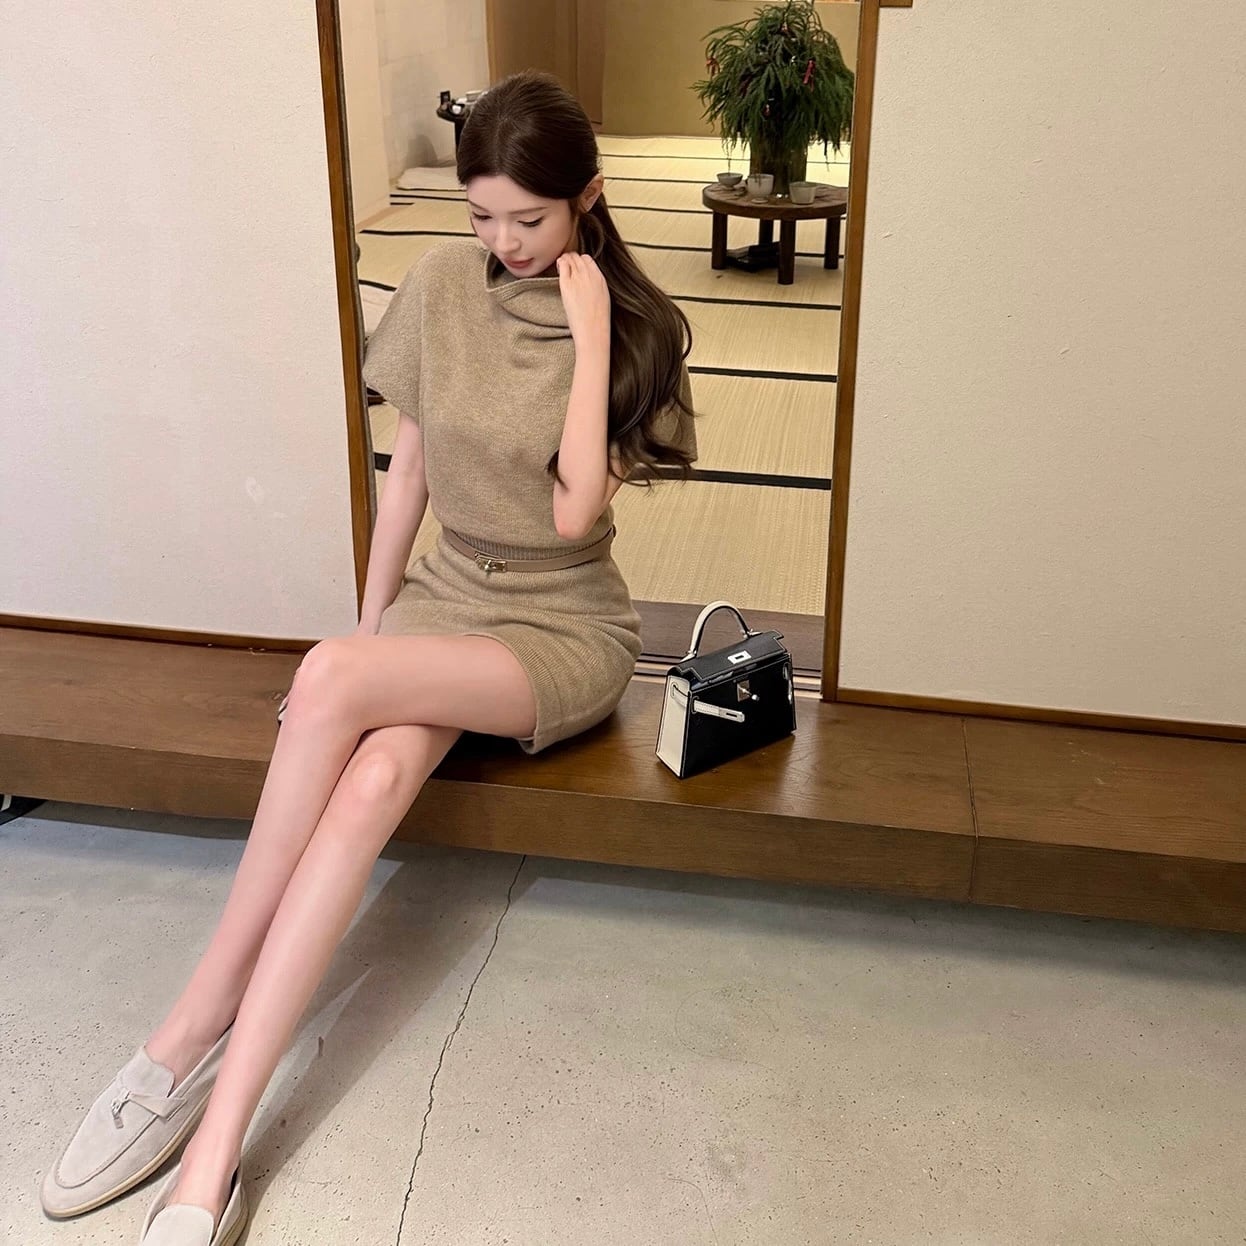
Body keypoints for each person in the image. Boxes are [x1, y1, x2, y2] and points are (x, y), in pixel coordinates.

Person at [39, 70, 697, 1246]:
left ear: (588, 198)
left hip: (562, 624)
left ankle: (184, 1035)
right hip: (447, 595)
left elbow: (571, 514)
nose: (503, 243)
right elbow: (410, 474)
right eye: (481, 215)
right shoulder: (440, 284)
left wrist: (594, 327)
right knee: (374, 771)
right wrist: (371, 623)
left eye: (530, 219)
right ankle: (215, 1141)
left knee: (332, 680)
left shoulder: (636, 328)